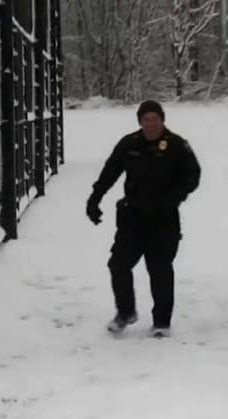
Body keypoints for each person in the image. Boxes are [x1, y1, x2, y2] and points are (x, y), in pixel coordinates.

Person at [86, 100, 201, 337]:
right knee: (118, 264)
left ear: (162, 120)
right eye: (146, 119)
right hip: (133, 216)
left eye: (154, 119)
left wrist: (174, 197)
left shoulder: (176, 145)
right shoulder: (130, 144)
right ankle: (125, 312)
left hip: (163, 218)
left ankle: (162, 322)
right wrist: (94, 199)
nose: (150, 124)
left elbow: (192, 175)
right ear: (140, 122)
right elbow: (110, 172)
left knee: (159, 269)